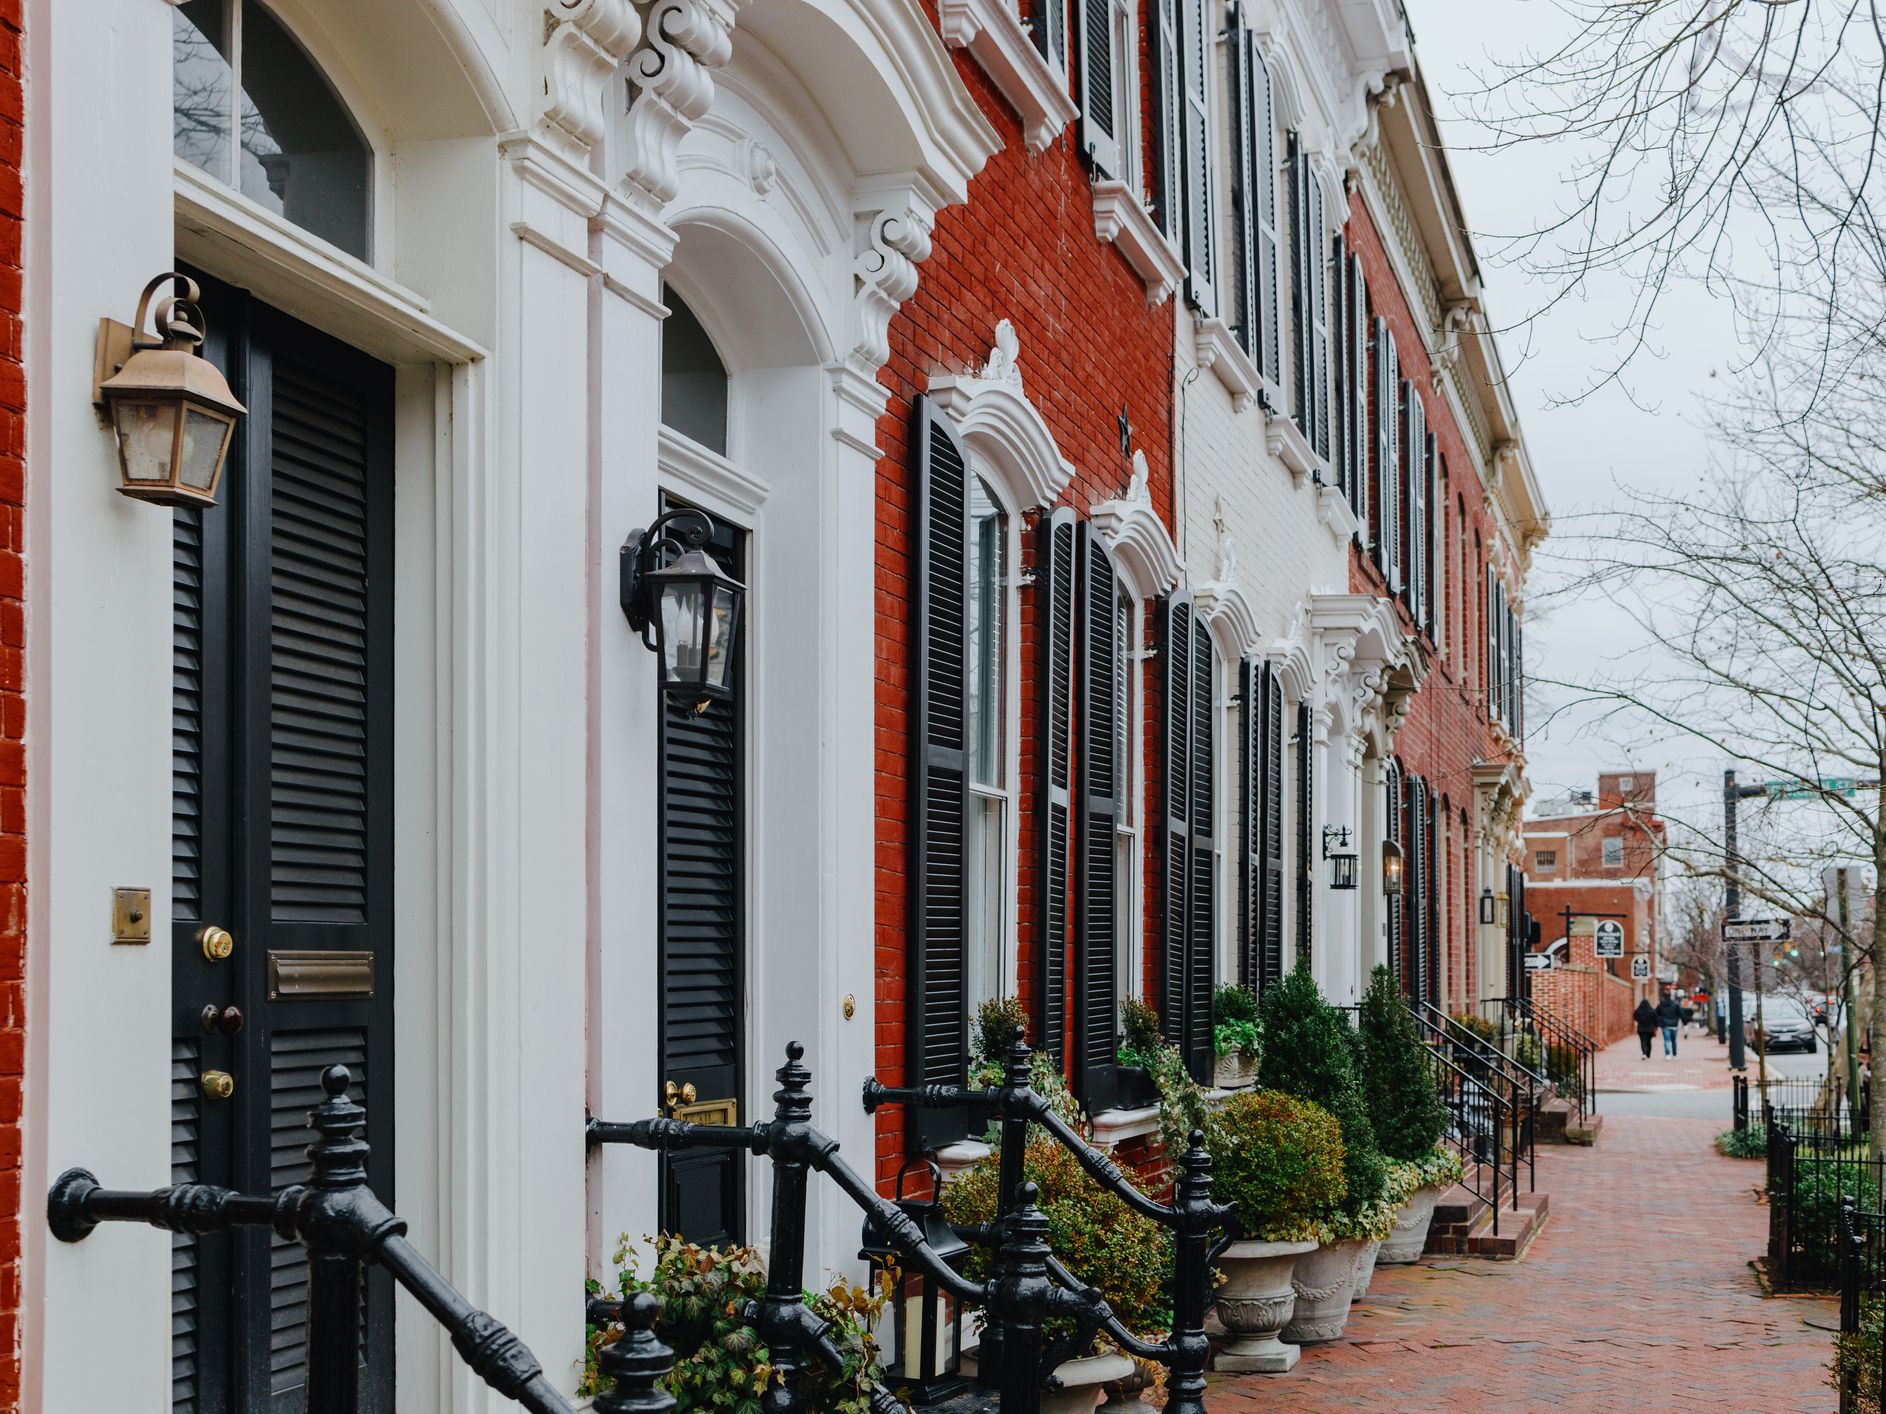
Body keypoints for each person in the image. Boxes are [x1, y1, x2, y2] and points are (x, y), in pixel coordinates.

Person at [1656, 989, 1683, 1057]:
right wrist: (1684, 1021)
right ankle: (1674, 1054)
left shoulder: (1660, 1005)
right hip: (1674, 1024)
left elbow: (1656, 1014)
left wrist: (1659, 1021)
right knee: (1674, 1040)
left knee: (1666, 1040)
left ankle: (1667, 1054)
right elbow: (1680, 1013)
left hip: (1665, 1025)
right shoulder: (1675, 1004)